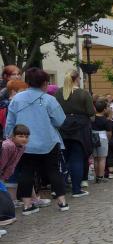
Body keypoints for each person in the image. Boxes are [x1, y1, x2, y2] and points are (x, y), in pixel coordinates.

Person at [3, 68, 69, 214]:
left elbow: (10, 122)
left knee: (26, 172)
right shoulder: (49, 99)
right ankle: (62, 202)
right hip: (48, 141)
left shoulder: (17, 99)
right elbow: (60, 121)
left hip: (24, 142)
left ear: (27, 81)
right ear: (44, 83)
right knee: (53, 171)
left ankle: (27, 205)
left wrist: (10, 138)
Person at [55, 70, 94, 197]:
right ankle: (76, 189)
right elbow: (91, 112)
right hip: (80, 129)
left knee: (63, 160)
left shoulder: (58, 93)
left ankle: (58, 189)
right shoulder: (83, 93)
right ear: (77, 79)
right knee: (77, 159)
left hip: (63, 126)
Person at [0, 124, 29, 230]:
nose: (24, 139)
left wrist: (4, 177)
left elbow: (12, 164)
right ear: (13, 136)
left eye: (26, 136)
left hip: (3, 175)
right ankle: (4, 217)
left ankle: (6, 216)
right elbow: (2, 162)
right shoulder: (8, 146)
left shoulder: (22, 148)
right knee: (4, 196)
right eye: (20, 136)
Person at [91, 100, 113, 183]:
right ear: (104, 109)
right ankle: (100, 177)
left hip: (93, 137)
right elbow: (109, 133)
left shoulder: (92, 119)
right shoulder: (105, 120)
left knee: (95, 158)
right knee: (102, 159)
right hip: (102, 138)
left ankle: (96, 176)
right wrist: (108, 140)